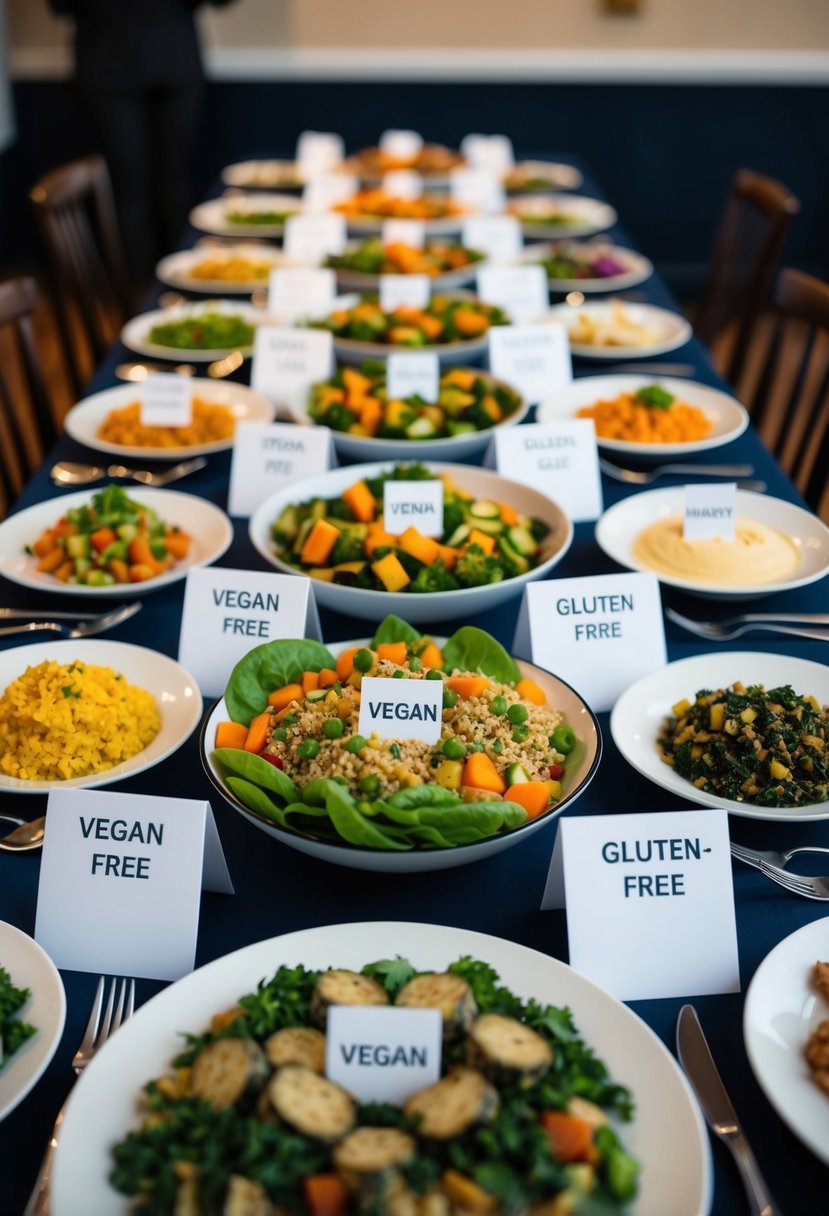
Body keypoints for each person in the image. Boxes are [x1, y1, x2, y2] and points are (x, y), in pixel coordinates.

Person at [48, 0, 235, 286]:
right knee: (131, 192)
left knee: (168, 186)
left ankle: (181, 287)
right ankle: (141, 299)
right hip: (112, 59)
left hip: (162, 56)